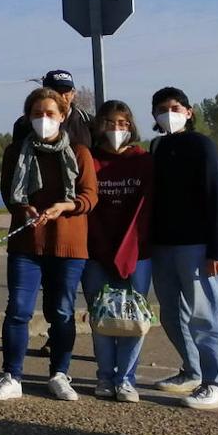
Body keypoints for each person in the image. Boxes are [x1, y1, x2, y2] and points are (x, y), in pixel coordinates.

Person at [0, 87, 97, 403]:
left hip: (68, 245)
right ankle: (12, 375)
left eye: (50, 114)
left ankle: (59, 374)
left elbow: (90, 196)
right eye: (37, 114)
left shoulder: (79, 152)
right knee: (18, 311)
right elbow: (10, 194)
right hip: (26, 244)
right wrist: (24, 208)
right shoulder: (15, 152)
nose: (44, 119)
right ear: (28, 117)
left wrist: (65, 206)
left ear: (63, 116)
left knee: (62, 312)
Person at [149, 86, 218, 410]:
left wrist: (217, 250)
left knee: (206, 315)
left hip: (197, 247)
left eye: (174, 107)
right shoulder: (157, 146)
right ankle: (192, 370)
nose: (168, 113)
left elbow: (216, 197)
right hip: (162, 246)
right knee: (171, 314)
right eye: (161, 109)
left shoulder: (202, 145)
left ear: (188, 111)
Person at [82, 100, 152, 403]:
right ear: (100, 126)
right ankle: (105, 377)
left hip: (137, 252)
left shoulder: (145, 161)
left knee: (133, 318)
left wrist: (126, 251)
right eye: (110, 123)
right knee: (102, 318)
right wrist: (104, 249)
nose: (116, 129)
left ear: (131, 126)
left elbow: (145, 210)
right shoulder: (89, 160)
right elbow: (88, 208)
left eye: (122, 123)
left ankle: (126, 378)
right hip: (97, 253)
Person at [11, 70, 93, 148]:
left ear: (73, 94)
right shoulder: (24, 123)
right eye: (55, 92)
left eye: (66, 92)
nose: (62, 97)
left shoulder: (88, 122)